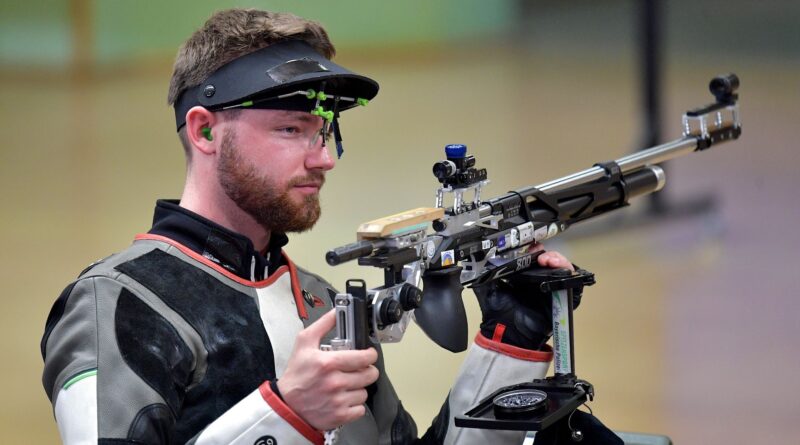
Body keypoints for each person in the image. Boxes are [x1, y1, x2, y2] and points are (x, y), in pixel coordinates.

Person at [41, 9, 579, 445]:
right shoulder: (116, 304)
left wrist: (509, 344)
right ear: (204, 132)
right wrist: (286, 413)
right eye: (292, 128)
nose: (324, 159)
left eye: (324, 133)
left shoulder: (320, 305)